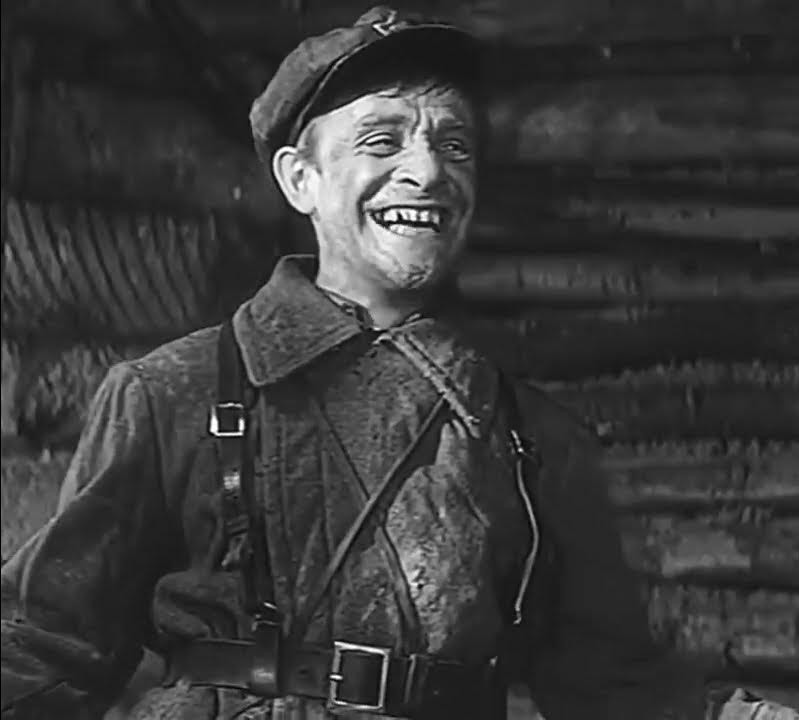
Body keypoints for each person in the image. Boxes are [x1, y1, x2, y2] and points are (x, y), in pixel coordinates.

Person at [1, 6, 794, 720]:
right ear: (300, 179)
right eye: (381, 141)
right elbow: (45, 648)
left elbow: (614, 686)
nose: (427, 171)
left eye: (454, 145)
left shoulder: (531, 437)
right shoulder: (171, 394)